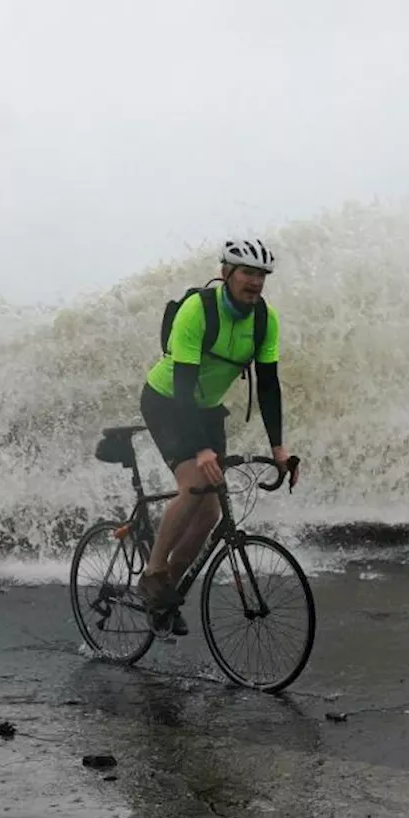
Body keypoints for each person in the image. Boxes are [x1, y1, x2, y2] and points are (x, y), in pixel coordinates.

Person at [137, 239, 298, 634]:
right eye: (247, 272)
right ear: (226, 273)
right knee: (194, 484)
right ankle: (153, 574)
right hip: (167, 401)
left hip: (207, 409)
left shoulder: (265, 320)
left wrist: (278, 448)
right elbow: (183, 384)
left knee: (209, 512)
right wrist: (202, 448)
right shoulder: (198, 310)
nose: (255, 281)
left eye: (261, 275)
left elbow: (269, 387)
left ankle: (166, 596)